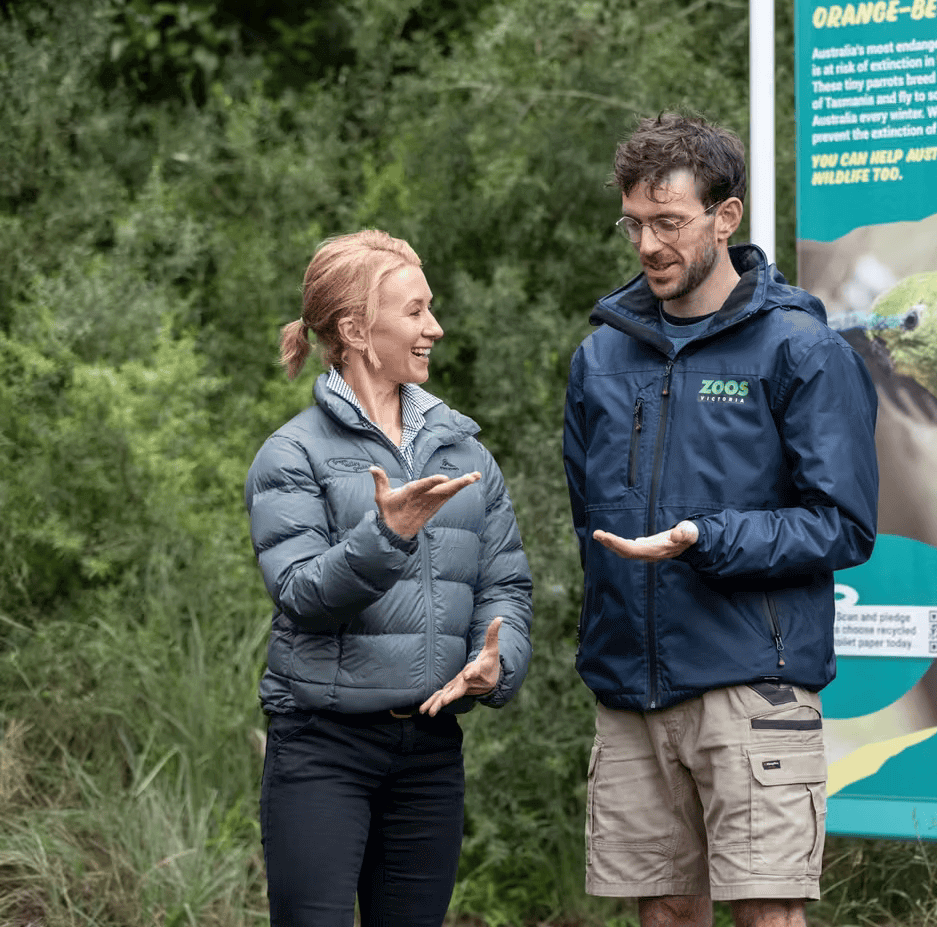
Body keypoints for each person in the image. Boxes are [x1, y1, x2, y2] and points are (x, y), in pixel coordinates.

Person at [562, 114, 879, 927]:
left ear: (724, 218)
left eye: (668, 222)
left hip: (753, 686)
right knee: (665, 910)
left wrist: (710, 538)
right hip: (631, 689)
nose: (647, 245)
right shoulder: (600, 357)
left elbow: (843, 524)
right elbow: (583, 517)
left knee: (766, 914)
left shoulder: (800, 348)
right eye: (634, 222)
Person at [246, 230, 533, 927]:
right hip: (322, 746)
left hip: (431, 750)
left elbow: (507, 586)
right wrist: (387, 536)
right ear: (354, 328)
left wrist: (497, 664)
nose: (434, 326)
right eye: (414, 310)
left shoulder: (465, 450)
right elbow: (302, 595)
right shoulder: (291, 454)